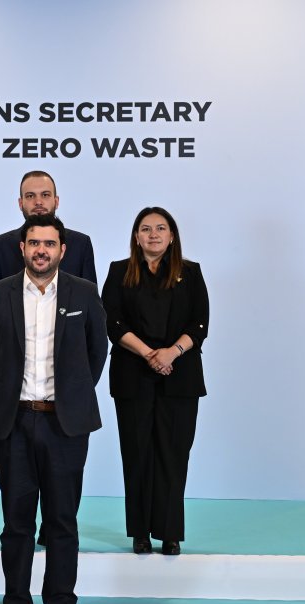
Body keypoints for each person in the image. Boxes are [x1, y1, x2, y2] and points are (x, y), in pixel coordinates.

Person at [0, 214, 107, 604]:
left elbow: (95, 354)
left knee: (62, 520)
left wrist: (68, 394)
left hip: (65, 425)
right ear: (22, 247)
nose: (41, 250)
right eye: (34, 242)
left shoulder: (84, 293)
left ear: (62, 250)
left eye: (49, 244)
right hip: (14, 421)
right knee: (16, 521)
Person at [102, 206, 208, 557]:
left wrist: (171, 353)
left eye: (161, 228)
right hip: (133, 377)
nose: (153, 234)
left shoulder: (190, 274)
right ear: (136, 236)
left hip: (180, 378)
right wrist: (150, 353)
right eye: (145, 229)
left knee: (174, 455)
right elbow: (112, 323)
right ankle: (140, 533)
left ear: (172, 235)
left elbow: (200, 324)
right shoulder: (120, 272)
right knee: (137, 455)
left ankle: (170, 533)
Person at [0, 170, 97, 285]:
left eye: (45, 195)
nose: (38, 202)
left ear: (56, 201)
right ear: (20, 203)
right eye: (30, 196)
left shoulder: (81, 244)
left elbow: (89, 299)